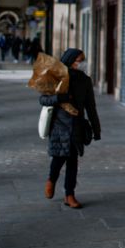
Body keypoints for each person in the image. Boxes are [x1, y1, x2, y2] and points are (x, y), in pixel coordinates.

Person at [39, 48, 101, 208]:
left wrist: (96, 128)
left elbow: (91, 106)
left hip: (77, 125)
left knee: (73, 161)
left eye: (80, 60)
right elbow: (43, 99)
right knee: (59, 157)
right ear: (68, 59)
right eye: (76, 60)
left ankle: (69, 195)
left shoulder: (84, 80)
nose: (78, 63)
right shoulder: (55, 76)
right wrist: (60, 98)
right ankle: (51, 180)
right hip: (59, 124)